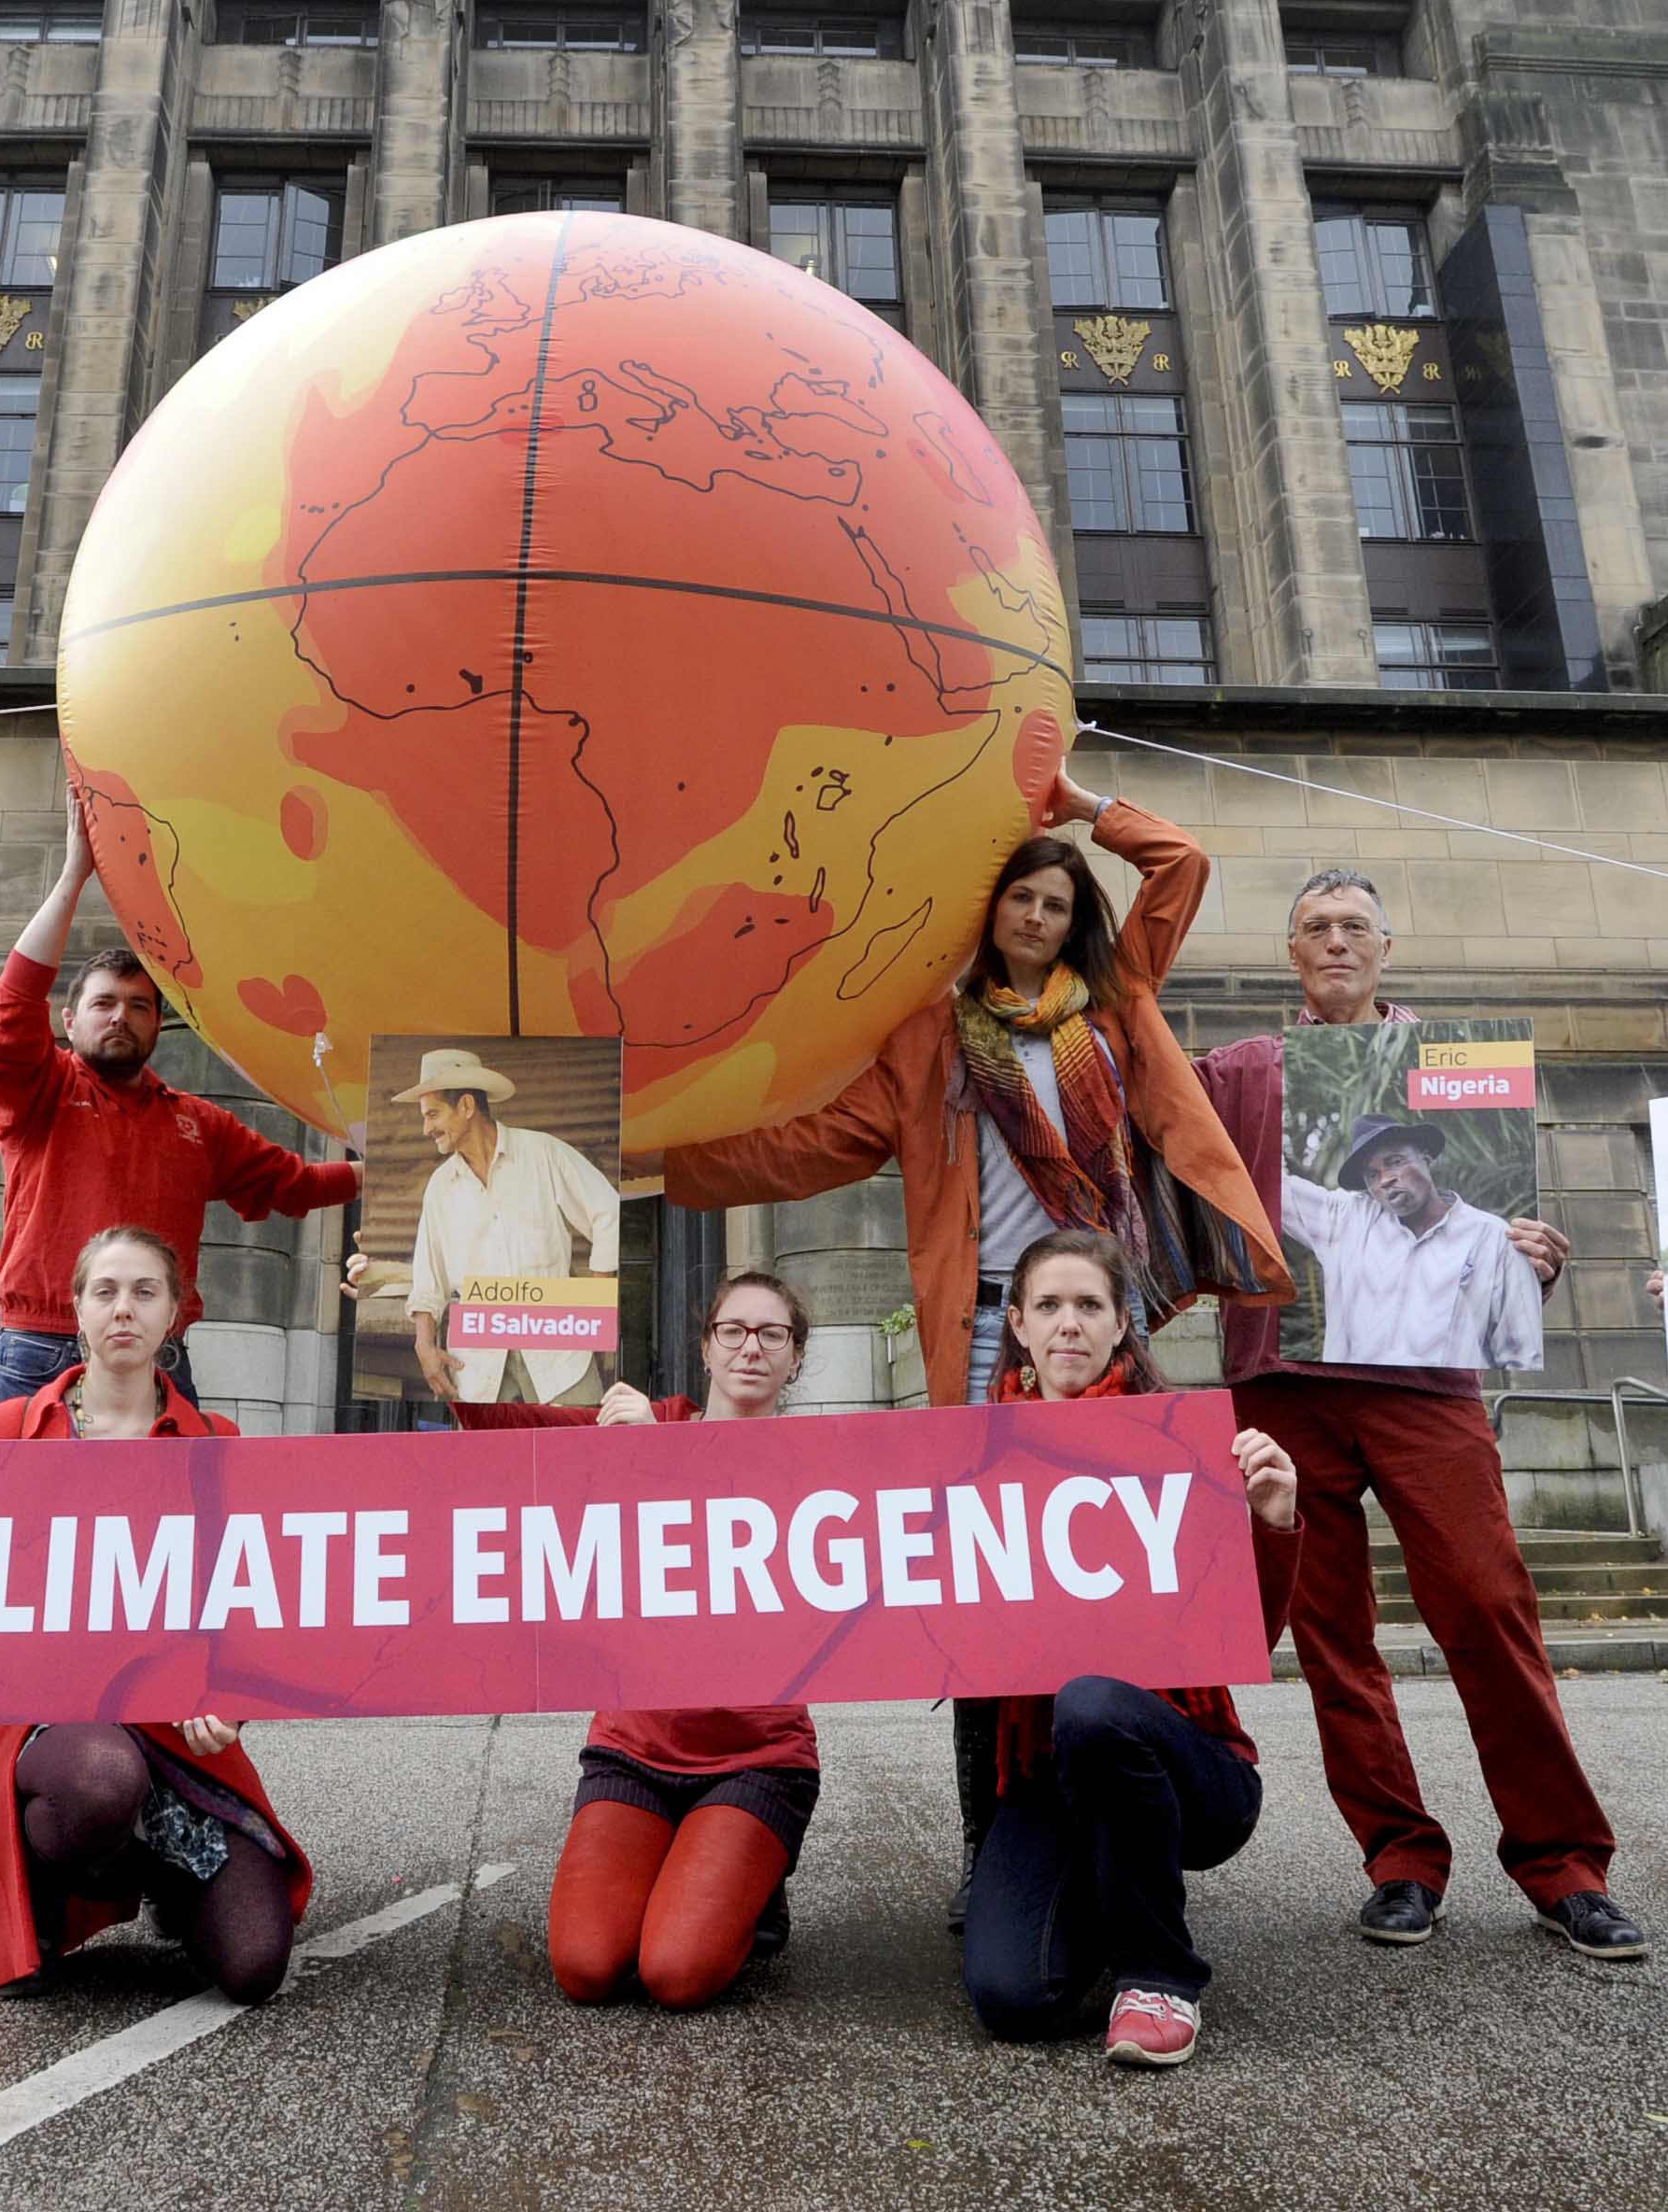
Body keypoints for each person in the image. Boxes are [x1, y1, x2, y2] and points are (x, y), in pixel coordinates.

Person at [666, 765, 1282, 1921]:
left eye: (1056, 904)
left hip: (1103, 1327)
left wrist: (1074, 804)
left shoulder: (1116, 1002)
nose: (1038, 918)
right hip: (988, 1327)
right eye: (1020, 900)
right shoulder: (929, 1042)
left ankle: (1126, 1812)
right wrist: (652, 1166)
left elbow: (1181, 862)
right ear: (988, 914)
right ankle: (990, 1845)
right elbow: (806, 1147)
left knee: (1129, 1573)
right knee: (984, 1602)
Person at [0, 791, 360, 1920]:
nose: (121, 1017)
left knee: (166, 1596)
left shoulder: (198, 1125)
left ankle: (156, 1799)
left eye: (140, 1005)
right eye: (102, 1002)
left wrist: (417, 1165)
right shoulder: (37, 1095)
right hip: (38, 1362)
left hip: (163, 1383)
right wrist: (77, 875)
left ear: (157, 1025)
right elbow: (6, 1013)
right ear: (75, 1018)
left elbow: (301, 1187)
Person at [1193, 869, 1640, 1961]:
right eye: (1315, 929)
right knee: (1332, 1634)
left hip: (1429, 1392)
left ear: (1388, 948)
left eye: (1355, 928)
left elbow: (1513, 1242)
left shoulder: (1460, 1069)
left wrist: (1529, 1255)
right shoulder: (1242, 1070)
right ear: (1290, 953)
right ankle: (1398, 1856)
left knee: (1487, 1605)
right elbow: (1179, 1163)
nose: (1336, 942)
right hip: (1286, 1385)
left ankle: (1562, 1861)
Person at [0, 1225, 314, 2003]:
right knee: (96, 1782)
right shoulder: (4, 1430)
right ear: (77, 1311)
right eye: (106, 1292)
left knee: (256, 1967)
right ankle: (50, 1890)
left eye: (145, 1292)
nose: (124, 1310)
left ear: (175, 1314)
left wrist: (231, 1703)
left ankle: (161, 1876)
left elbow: (248, 1601)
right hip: (38, 1720)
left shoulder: (218, 1443)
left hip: (170, 1728)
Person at [962, 1231, 1299, 2070]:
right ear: (1017, 1324)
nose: (1068, 1324)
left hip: (1187, 1769)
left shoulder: (1186, 1446)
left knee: (1093, 1701)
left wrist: (1275, 1519)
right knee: (1013, 1998)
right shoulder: (968, 1456)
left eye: (1089, 1306)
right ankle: (1106, 1893)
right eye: (1048, 1305)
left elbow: (1248, 1635)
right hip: (1045, 1776)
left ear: (1121, 1328)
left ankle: (1159, 1971)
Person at [445, 1271, 822, 2009]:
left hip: (756, 1756)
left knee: (676, 1975)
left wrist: (664, 1458)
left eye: (772, 1334)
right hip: (635, 1748)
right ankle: (698, 1869)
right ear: (706, 1349)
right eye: (733, 1332)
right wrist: (424, 1325)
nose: (752, 1348)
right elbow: (497, 1423)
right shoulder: (643, 1425)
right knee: (586, 1968)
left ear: (795, 1358)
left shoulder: (818, 1456)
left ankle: (751, 1889)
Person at [396, 1047, 623, 1411]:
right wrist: (424, 1344)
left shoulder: (543, 1154)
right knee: (489, 1466)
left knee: (580, 1458)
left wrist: (595, 1303)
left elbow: (607, 1211)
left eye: (433, 1114)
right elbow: (429, 1277)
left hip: (558, 1352)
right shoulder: (441, 1186)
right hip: (479, 1363)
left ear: (467, 1106)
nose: (426, 1128)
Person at [1279, 1114, 1544, 1377]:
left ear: (1426, 1158)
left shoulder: (1494, 1238)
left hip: (1443, 1407)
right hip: (1356, 1403)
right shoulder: (1346, 1221)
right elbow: (1269, 1186)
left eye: (1395, 1162)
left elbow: (1522, 1353)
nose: (1385, 1180)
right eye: (1372, 1175)